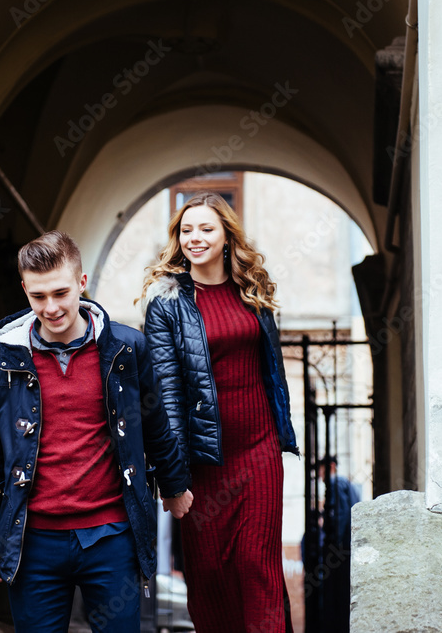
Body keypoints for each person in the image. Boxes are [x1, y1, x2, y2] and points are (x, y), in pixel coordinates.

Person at [0, 230, 194, 632]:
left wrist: (174, 486)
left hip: (112, 535)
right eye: (38, 296)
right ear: (25, 290)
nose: (51, 307)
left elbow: (155, 425)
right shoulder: (0, 360)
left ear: (81, 283)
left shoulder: (126, 349)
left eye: (61, 293)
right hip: (33, 541)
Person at [140, 193, 299, 632]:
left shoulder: (253, 290)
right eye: (186, 230)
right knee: (209, 576)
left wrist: (280, 433)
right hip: (202, 462)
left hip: (258, 449)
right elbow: (165, 395)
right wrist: (172, 479)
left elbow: (271, 371)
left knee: (257, 565)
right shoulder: (167, 303)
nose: (195, 238)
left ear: (227, 236)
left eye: (206, 229)